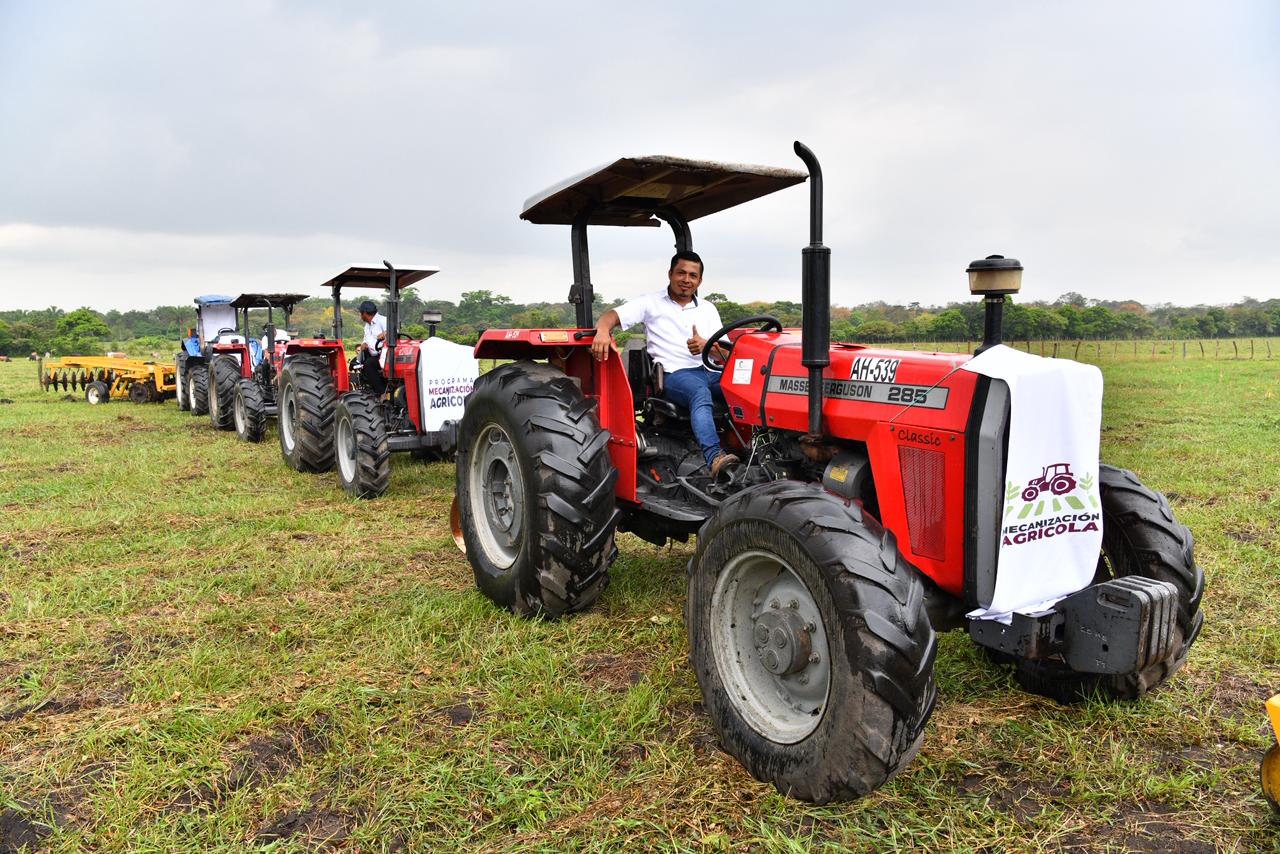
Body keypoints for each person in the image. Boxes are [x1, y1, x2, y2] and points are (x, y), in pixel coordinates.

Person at [591, 250, 739, 477]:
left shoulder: (708, 308)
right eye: (681, 273)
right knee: (700, 393)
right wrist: (602, 330)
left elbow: (727, 354)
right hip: (675, 375)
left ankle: (763, 450)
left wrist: (708, 344)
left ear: (699, 280)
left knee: (744, 388)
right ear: (670, 274)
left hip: (710, 371)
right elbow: (611, 315)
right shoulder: (651, 303)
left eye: (692, 275)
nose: (686, 280)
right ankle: (715, 457)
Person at [356, 299, 387, 395]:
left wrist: (385, 333)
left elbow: (395, 330)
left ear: (365, 313)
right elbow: (366, 339)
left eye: (361, 313)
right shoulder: (367, 325)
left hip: (385, 355)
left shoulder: (383, 320)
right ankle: (369, 389)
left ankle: (381, 392)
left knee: (369, 364)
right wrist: (364, 344)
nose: (360, 315)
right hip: (372, 354)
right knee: (360, 363)